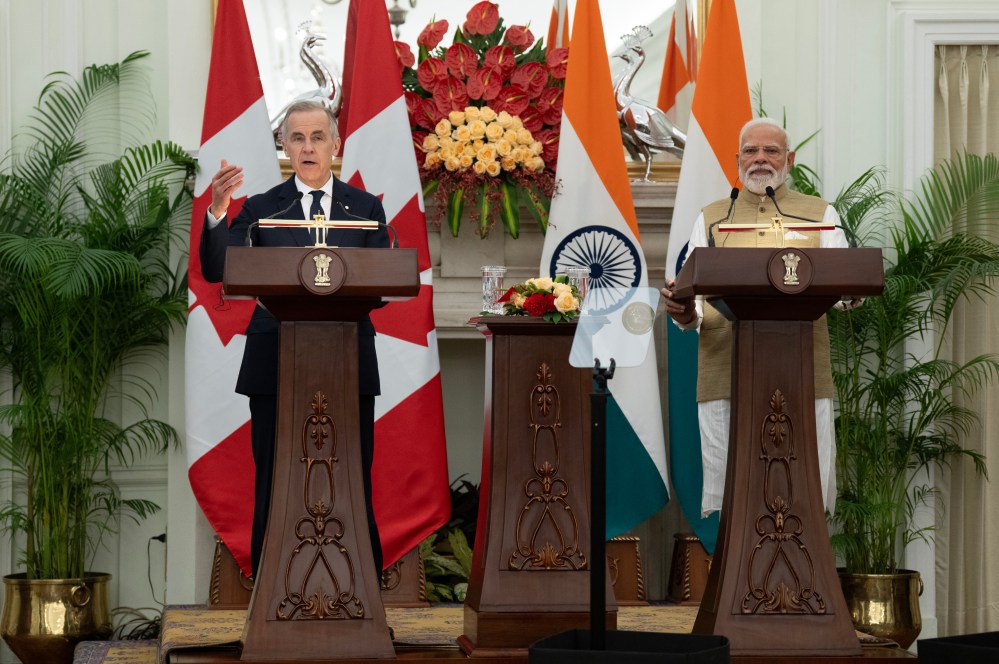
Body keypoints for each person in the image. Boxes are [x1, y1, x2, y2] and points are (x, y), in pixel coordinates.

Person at [200, 99, 389, 576]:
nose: (308, 147)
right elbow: (219, 268)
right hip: (274, 360)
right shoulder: (263, 209)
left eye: (317, 137)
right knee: (275, 475)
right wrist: (220, 212)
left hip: (346, 360)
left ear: (335, 145)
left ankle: (358, 584)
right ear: (284, 146)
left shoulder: (366, 209)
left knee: (351, 476)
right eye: (298, 138)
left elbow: (381, 282)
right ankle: (271, 583)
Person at [661, 117, 854, 517]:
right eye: (751, 150)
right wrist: (684, 313)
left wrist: (851, 293)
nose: (760, 159)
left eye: (771, 150)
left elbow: (844, 288)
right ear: (737, 160)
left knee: (804, 496)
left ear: (790, 159)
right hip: (725, 372)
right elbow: (693, 303)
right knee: (737, 499)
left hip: (802, 374)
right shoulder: (713, 217)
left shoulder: (820, 214)